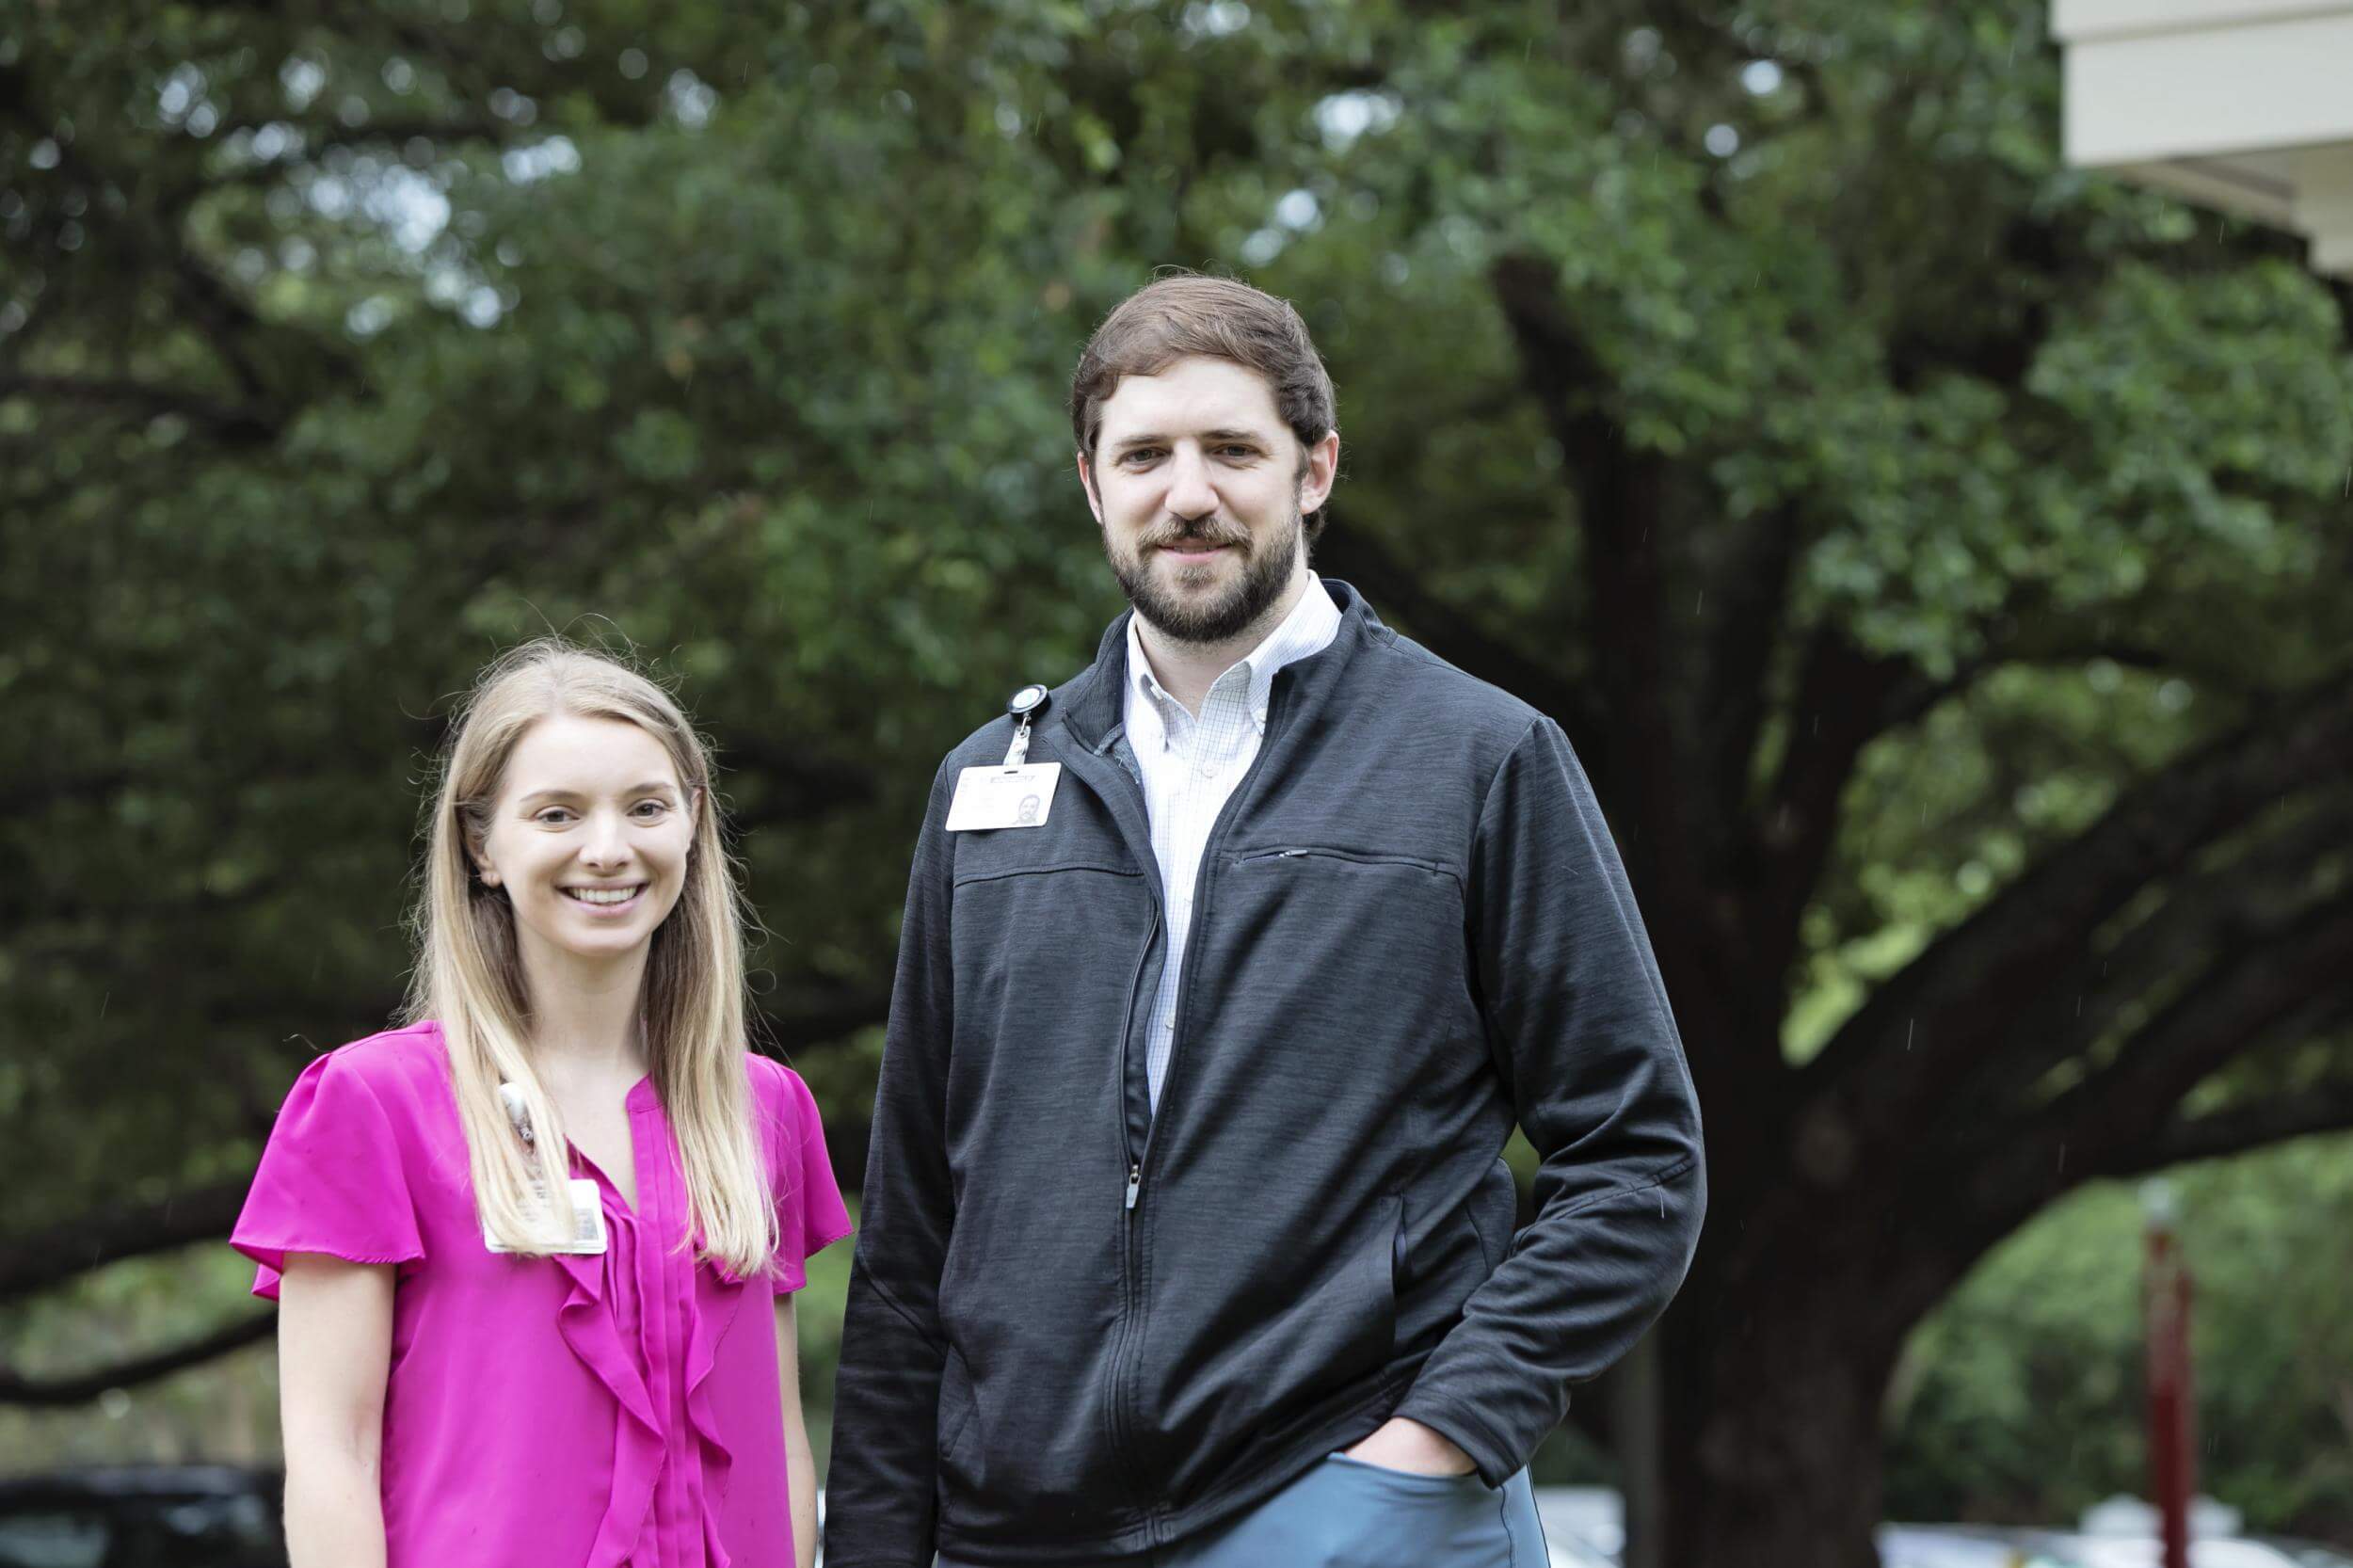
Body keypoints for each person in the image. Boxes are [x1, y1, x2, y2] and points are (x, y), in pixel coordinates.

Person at [824, 274, 1706, 1568]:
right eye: (1146, 455)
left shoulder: (1480, 757)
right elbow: (910, 1232)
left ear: (1315, 469)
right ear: (1092, 484)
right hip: (1013, 1532)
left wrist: (1433, 1445)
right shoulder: (985, 788)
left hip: (1347, 1506)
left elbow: (1639, 1159)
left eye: (1233, 448)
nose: (1189, 493)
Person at [231, 641, 850, 1568]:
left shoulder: (761, 1108)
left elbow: (782, 1440)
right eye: (557, 812)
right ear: (482, 844)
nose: (608, 849)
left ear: (691, 821)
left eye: (644, 806)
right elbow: (331, 1455)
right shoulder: (372, 1104)